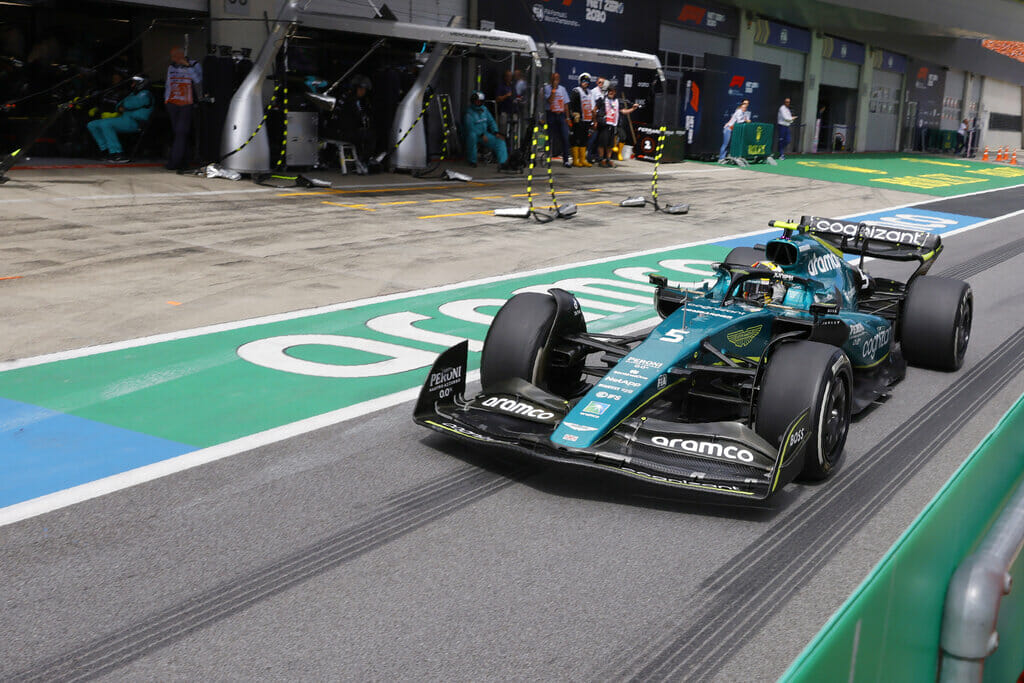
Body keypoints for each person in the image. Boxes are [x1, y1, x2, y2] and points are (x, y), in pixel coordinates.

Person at [86, 75, 153, 163]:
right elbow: (119, 105)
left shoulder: (145, 94)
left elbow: (129, 104)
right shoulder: (133, 94)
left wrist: (123, 106)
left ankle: (117, 154)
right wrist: (122, 106)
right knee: (92, 125)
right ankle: (106, 150)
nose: (132, 85)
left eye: (134, 83)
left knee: (106, 124)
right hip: (125, 119)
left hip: (136, 122)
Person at [164, 46, 202, 171]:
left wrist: (187, 66)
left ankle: (174, 162)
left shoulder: (194, 64)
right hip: (173, 103)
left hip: (187, 103)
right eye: (172, 57)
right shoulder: (171, 67)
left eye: (175, 56)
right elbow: (168, 84)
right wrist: (167, 99)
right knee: (180, 134)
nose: (174, 59)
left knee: (181, 132)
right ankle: (184, 161)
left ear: (181, 55)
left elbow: (198, 79)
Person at [594, 82, 636, 167]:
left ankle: (608, 160)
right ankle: (601, 160)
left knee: (610, 145)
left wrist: (633, 109)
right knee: (602, 143)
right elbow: (594, 110)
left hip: (613, 125)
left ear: (615, 92)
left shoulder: (617, 101)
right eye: (609, 90)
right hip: (604, 124)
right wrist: (595, 121)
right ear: (607, 91)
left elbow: (623, 111)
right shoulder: (602, 99)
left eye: (613, 91)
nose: (611, 92)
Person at [340, 75, 375, 174]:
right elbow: (354, 118)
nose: (363, 92)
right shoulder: (350, 101)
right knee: (370, 136)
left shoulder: (358, 101)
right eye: (361, 89)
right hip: (345, 131)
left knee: (367, 134)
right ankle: (363, 160)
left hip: (351, 129)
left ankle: (362, 158)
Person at [463, 90, 508, 168]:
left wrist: (496, 132)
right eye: (476, 101)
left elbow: (491, 121)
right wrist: (481, 134)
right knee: (472, 137)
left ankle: (503, 163)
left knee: (500, 141)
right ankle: (472, 160)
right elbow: (470, 127)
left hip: (485, 134)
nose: (478, 103)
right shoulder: (469, 113)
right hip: (474, 134)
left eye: (480, 101)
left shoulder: (484, 110)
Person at [543, 72, 572, 167]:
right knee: (549, 137)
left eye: (557, 79)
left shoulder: (563, 89)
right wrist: (554, 90)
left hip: (561, 115)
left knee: (565, 137)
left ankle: (566, 160)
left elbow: (566, 104)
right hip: (551, 114)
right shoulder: (547, 88)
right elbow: (550, 100)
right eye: (553, 79)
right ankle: (547, 158)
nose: (555, 81)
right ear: (551, 80)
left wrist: (567, 117)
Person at [569, 73, 594, 167]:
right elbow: (570, 104)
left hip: (587, 119)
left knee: (584, 139)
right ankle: (575, 160)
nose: (585, 83)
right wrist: (573, 114)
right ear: (580, 81)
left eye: (587, 81)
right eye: (584, 81)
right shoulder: (576, 91)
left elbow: (592, 106)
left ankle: (583, 159)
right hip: (578, 119)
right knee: (576, 139)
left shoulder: (590, 92)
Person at [586, 76, 606, 163]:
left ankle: (597, 157)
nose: (601, 84)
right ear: (597, 83)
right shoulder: (593, 92)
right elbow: (592, 107)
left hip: (602, 118)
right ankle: (588, 156)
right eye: (600, 82)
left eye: (603, 82)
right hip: (595, 117)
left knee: (600, 139)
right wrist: (594, 121)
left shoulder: (605, 92)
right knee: (593, 138)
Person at [495, 70, 516, 139]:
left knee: (513, 129)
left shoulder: (512, 86)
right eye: (507, 76)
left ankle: (511, 144)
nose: (509, 78)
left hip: (512, 111)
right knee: (502, 129)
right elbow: (497, 99)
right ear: (504, 77)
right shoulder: (501, 86)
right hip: (503, 110)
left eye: (510, 76)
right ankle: (502, 144)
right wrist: (506, 95)